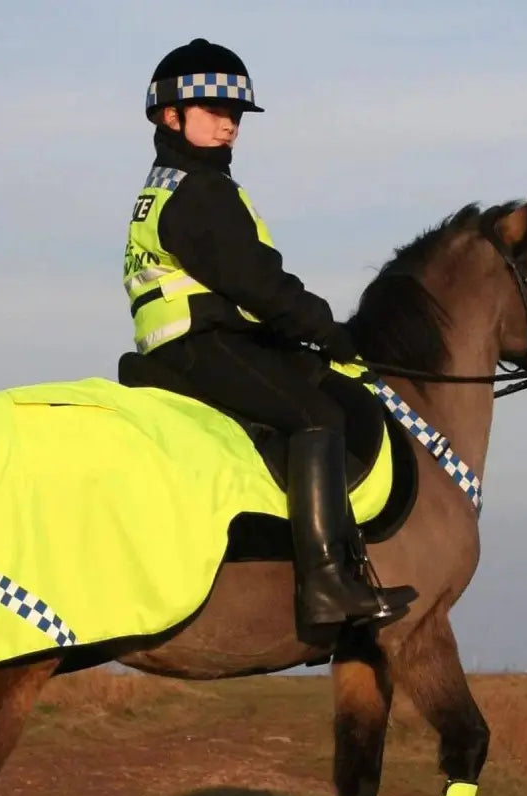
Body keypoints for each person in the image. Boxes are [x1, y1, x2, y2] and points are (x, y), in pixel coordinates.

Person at [123, 38, 416, 634]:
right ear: (169, 115)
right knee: (315, 415)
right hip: (200, 343)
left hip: (200, 339)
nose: (228, 124)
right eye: (213, 111)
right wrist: (327, 331)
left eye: (234, 114)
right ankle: (326, 587)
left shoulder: (175, 185)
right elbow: (258, 284)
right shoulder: (200, 192)